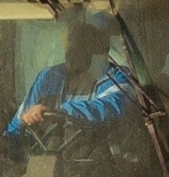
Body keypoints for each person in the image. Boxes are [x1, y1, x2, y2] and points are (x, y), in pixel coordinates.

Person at [10, 10, 135, 140]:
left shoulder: (118, 78)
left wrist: (60, 112)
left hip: (106, 157)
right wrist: (7, 141)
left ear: (100, 47)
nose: (72, 46)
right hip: (50, 154)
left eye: (83, 40)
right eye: (70, 40)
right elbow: (20, 121)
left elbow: (111, 107)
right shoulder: (49, 78)